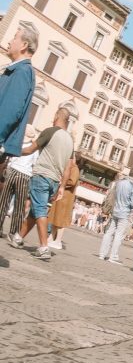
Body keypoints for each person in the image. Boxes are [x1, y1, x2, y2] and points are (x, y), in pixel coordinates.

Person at [7, 107, 75, 261]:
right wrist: (62, 187)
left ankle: (44, 247)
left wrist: (14, 149)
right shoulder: (69, 140)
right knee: (35, 211)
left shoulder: (50, 131)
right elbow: (68, 167)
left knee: (39, 210)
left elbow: (31, 149)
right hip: (55, 181)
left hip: (42, 175)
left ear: (57, 116)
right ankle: (18, 237)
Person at [0, 24, 38, 165]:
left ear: (24, 45)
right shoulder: (18, 70)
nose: (10, 41)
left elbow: (10, 111)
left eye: (14, 38)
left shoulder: (22, 71)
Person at [98, 167, 133, 263]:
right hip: (124, 212)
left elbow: (113, 195)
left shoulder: (119, 183)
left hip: (115, 210)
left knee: (109, 232)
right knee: (118, 234)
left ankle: (102, 253)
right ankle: (113, 256)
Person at [48, 154, 86, 250]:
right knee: (56, 219)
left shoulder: (74, 169)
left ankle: (58, 241)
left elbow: (72, 181)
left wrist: (62, 182)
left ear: (74, 159)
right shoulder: (72, 168)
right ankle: (51, 238)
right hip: (63, 196)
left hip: (66, 197)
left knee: (61, 220)